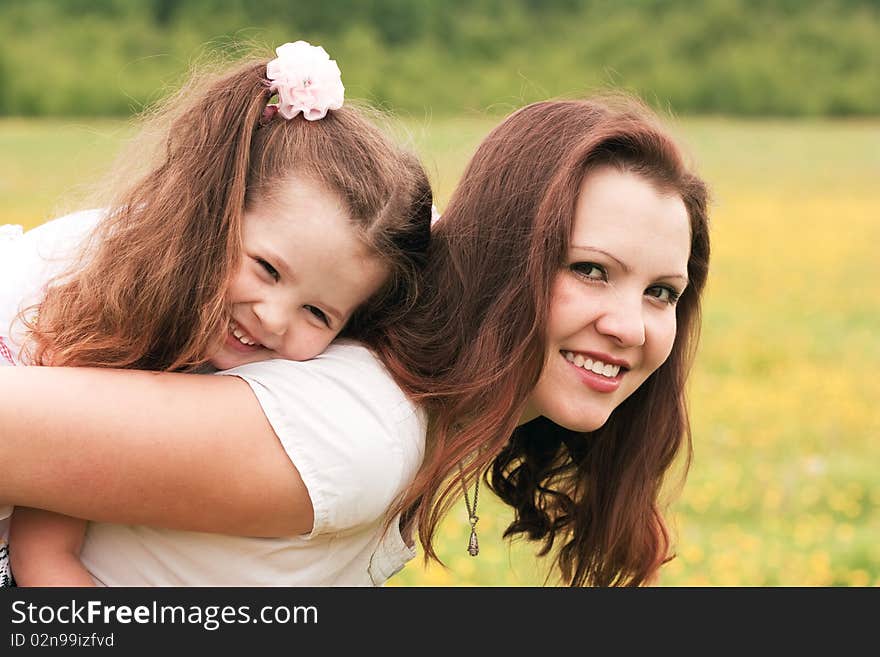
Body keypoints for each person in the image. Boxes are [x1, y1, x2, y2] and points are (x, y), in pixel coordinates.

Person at [0, 94, 709, 587]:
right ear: (499, 259)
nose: (631, 326)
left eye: (661, 292)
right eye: (589, 269)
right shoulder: (357, 428)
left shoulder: (419, 410)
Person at [0, 40, 432, 586]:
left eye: (319, 314)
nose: (274, 318)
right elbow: (42, 559)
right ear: (210, 216)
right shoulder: (112, 332)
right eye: (268, 269)